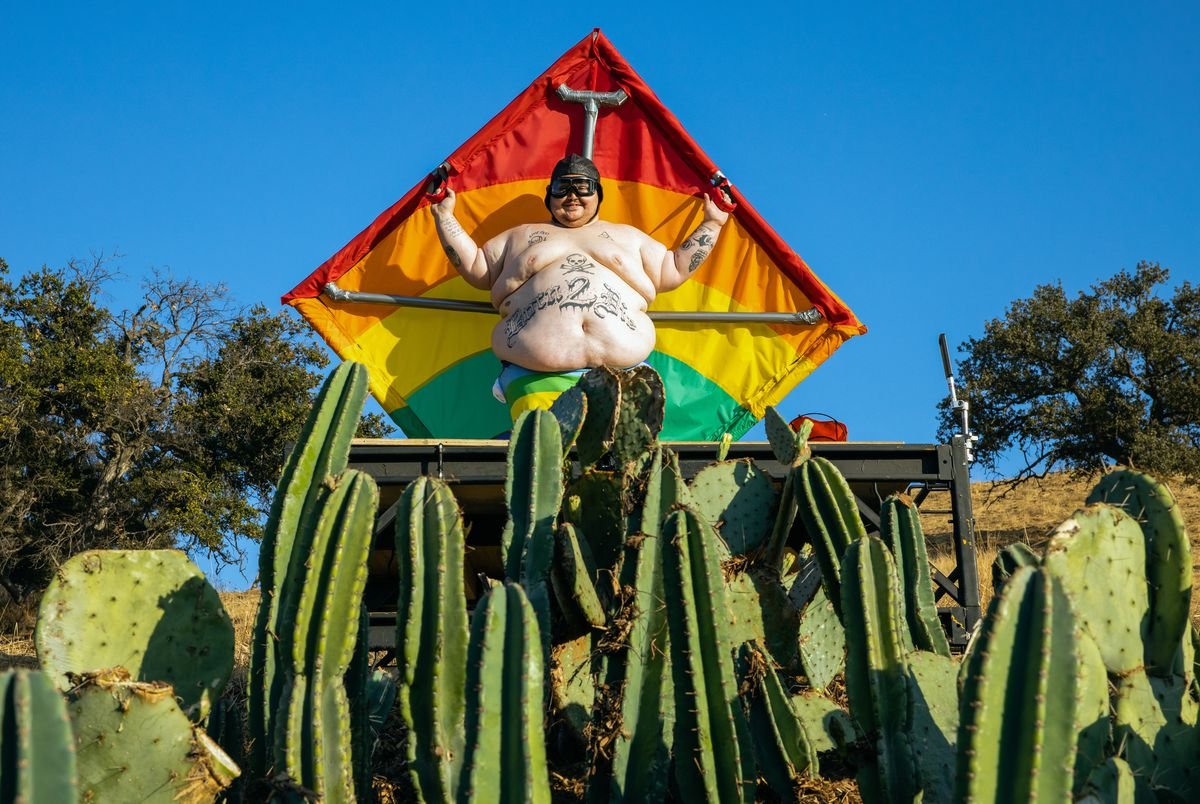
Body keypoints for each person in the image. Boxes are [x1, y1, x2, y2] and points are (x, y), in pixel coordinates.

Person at [431, 154, 731, 418]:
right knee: (542, 463)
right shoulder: (519, 237)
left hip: (625, 377)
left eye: (583, 186)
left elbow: (674, 268)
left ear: (598, 194)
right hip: (534, 377)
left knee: (619, 473)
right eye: (562, 188)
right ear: (549, 195)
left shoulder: (629, 237)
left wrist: (712, 223)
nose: (572, 195)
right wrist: (444, 218)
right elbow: (476, 268)